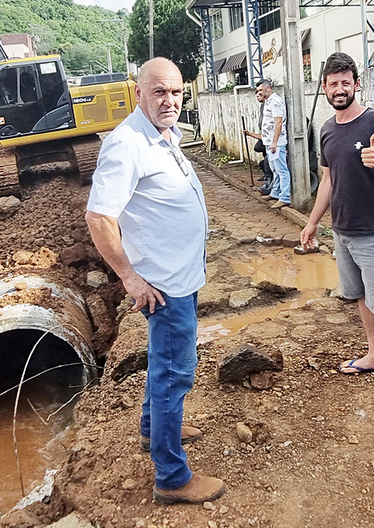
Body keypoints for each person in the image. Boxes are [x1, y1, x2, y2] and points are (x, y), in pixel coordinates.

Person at [85, 58, 226, 505]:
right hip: (163, 286)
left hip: (180, 276)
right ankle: (171, 475)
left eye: (177, 93)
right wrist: (128, 277)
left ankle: (153, 428)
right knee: (173, 375)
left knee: (165, 367)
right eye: (160, 92)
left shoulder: (164, 135)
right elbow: (99, 215)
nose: (170, 101)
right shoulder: (127, 143)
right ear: (138, 92)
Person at [299, 52, 374, 418]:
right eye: (333, 83)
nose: (339, 89)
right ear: (325, 87)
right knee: (361, 296)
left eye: (345, 82)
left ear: (355, 84)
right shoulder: (327, 129)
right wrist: (313, 222)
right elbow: (328, 181)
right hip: (343, 231)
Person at [257, 78, 290, 209]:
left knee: (281, 170)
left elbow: (278, 123)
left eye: (260, 90)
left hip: (276, 142)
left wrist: (275, 142)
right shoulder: (268, 101)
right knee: (275, 169)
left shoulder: (275, 101)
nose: (259, 92)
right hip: (270, 141)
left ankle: (285, 197)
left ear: (268, 88)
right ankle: (275, 192)